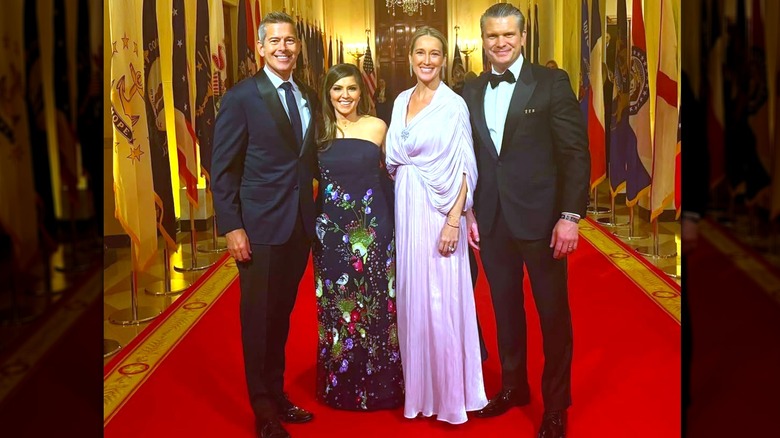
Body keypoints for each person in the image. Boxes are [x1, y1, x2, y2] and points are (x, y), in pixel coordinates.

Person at [461, 4, 589, 438]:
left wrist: (569, 216)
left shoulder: (551, 83)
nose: (500, 43)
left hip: (542, 222)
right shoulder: (471, 89)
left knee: (553, 316)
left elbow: (575, 153)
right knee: (505, 310)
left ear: (522, 37)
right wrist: (470, 210)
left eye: (508, 35)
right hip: (493, 221)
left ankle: (555, 406)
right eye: (492, 36)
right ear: (483, 40)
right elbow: (470, 157)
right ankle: (514, 387)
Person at [211, 11, 317, 438]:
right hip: (258, 228)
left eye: (289, 41)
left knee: (281, 316)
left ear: (298, 46)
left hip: (298, 227)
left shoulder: (307, 93)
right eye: (274, 41)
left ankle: (276, 392)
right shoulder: (241, 97)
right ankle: (263, 411)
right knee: (258, 321)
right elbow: (223, 169)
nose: (283, 48)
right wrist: (232, 226)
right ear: (260, 47)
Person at [385, 25, 488, 425]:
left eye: (434, 53)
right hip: (407, 209)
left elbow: (465, 167)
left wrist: (454, 221)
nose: (426, 60)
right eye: (420, 53)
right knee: (414, 299)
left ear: (444, 60)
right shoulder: (400, 100)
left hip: (440, 211)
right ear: (410, 58)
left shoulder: (453, 105)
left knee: (442, 301)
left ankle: (449, 395)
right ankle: (420, 391)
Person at [313, 63, 404, 411]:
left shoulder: (377, 126)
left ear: (361, 91)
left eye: (351, 88)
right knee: (339, 305)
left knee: (377, 303)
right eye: (337, 89)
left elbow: (398, 173)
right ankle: (341, 384)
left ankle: (383, 385)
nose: (345, 95)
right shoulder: (318, 130)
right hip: (330, 233)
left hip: (375, 228)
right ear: (328, 93)